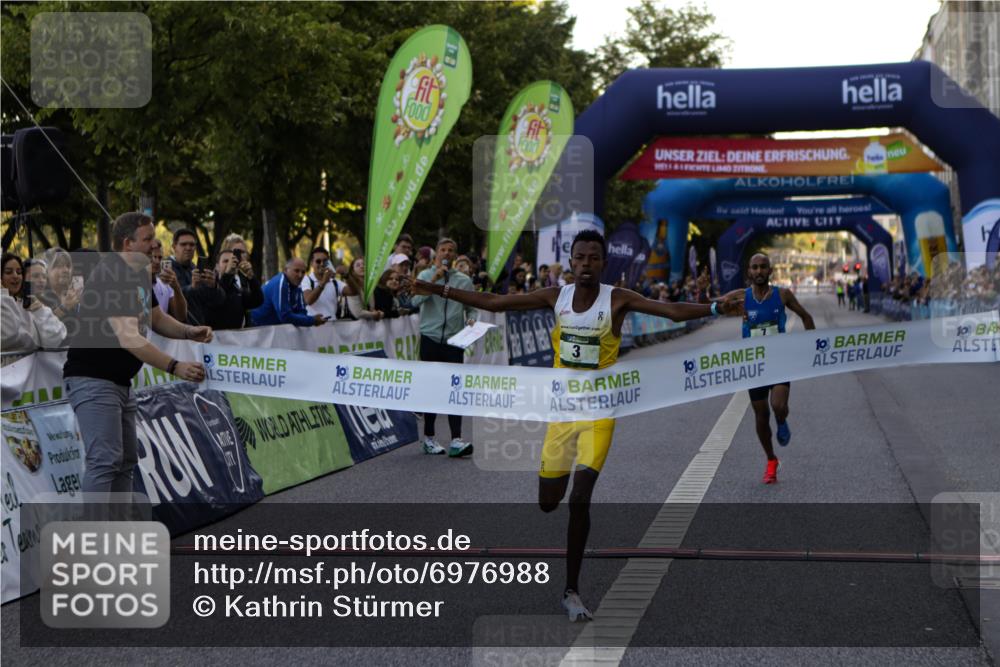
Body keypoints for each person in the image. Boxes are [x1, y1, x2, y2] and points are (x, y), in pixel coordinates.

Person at [409, 230, 743, 620]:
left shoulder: (617, 299)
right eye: (580, 258)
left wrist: (716, 309)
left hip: (599, 413)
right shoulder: (557, 296)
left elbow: (669, 311)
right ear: (571, 263)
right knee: (549, 502)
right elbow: (496, 301)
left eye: (593, 258)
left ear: (604, 263)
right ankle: (567, 557)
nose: (586, 264)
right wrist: (439, 291)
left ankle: (571, 590)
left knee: (580, 498)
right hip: (562, 413)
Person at [63, 212, 212, 494]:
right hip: (93, 379)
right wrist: (174, 366)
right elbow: (129, 338)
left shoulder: (138, 273)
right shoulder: (113, 274)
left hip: (118, 382)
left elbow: (156, 318)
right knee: (104, 462)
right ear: (127, 243)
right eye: (148, 239)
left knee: (125, 461)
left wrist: (187, 331)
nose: (155, 245)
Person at [731, 253, 815, 484]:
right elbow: (713, 305)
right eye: (754, 267)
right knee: (761, 416)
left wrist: (814, 348)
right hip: (754, 365)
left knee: (778, 406)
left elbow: (806, 317)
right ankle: (771, 460)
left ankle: (781, 419)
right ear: (749, 271)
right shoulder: (741, 297)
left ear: (770, 271)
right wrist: (704, 293)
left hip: (780, 361)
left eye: (763, 267)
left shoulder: (782, 294)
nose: (759, 271)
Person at [409, 237, 476, 457]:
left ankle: (456, 439)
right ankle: (429, 438)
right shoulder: (425, 276)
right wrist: (434, 281)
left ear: (455, 256)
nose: (446, 254)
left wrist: (472, 319)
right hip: (430, 338)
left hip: (454, 341)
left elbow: (472, 306)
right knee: (432, 390)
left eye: (451, 251)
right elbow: (414, 302)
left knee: (455, 390)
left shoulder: (464, 280)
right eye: (443, 250)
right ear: (436, 254)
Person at [1, 253, 67, 355]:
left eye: (19, 272)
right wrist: (3, 295)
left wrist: (41, 311)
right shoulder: (4, 301)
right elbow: (7, 336)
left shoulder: (29, 304)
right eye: (8, 272)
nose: (15, 276)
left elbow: (55, 338)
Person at [189, 249, 264, 330]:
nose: (230, 264)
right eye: (225, 261)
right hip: (214, 339)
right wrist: (227, 274)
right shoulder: (209, 286)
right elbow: (218, 296)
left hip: (237, 339)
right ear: (217, 266)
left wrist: (251, 277)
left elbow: (258, 300)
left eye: (233, 261)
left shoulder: (237, 289)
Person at [250, 258, 327, 327]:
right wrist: (312, 320)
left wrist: (309, 320)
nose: (300, 275)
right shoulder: (280, 283)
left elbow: (302, 312)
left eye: (303, 272)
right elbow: (285, 316)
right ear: (285, 270)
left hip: (272, 329)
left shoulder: (297, 285)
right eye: (296, 271)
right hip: (257, 329)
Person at [38, 248, 82, 322]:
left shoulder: (75, 296)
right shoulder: (40, 299)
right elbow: (42, 327)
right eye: (59, 266)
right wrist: (64, 308)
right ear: (46, 272)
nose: (66, 270)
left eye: (68, 266)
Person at [303, 247, 346, 321]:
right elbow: (308, 300)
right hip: (313, 328)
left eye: (325, 261)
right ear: (311, 263)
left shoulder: (334, 282)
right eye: (318, 261)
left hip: (332, 327)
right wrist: (323, 282)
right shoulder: (306, 279)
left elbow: (352, 292)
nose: (322, 264)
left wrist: (347, 275)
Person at [150, 238, 187, 322]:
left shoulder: (165, 284)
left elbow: (181, 317)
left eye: (160, 257)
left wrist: (176, 287)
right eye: (153, 257)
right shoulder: (133, 282)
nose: (156, 261)